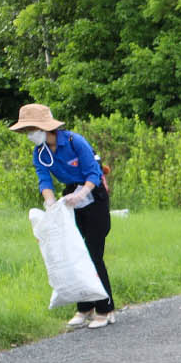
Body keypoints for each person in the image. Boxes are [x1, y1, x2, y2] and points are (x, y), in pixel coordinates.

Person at [11, 103, 115, 329]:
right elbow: (44, 180)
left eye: (31, 129)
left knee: (93, 254)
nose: (29, 135)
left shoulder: (74, 141)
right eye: (26, 131)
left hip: (93, 195)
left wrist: (83, 193)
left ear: (44, 127)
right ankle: (84, 308)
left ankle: (105, 309)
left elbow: (93, 173)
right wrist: (50, 202)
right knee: (74, 251)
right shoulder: (40, 153)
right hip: (70, 197)